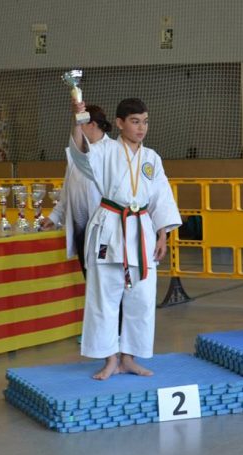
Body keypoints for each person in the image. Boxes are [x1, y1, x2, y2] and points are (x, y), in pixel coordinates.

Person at [68, 97, 181, 380]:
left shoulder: (152, 158)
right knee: (104, 297)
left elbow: (161, 197)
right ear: (119, 123)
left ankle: (129, 358)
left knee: (141, 299)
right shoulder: (104, 150)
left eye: (144, 121)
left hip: (141, 230)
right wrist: (78, 120)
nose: (141, 128)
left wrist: (162, 234)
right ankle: (109, 359)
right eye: (134, 121)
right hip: (110, 226)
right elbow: (81, 155)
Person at [42, 105, 111, 276]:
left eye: (80, 124)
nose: (77, 130)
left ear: (92, 125)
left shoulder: (112, 151)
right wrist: (54, 216)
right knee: (89, 279)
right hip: (82, 230)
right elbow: (68, 190)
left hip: (104, 231)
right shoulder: (75, 156)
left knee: (105, 279)